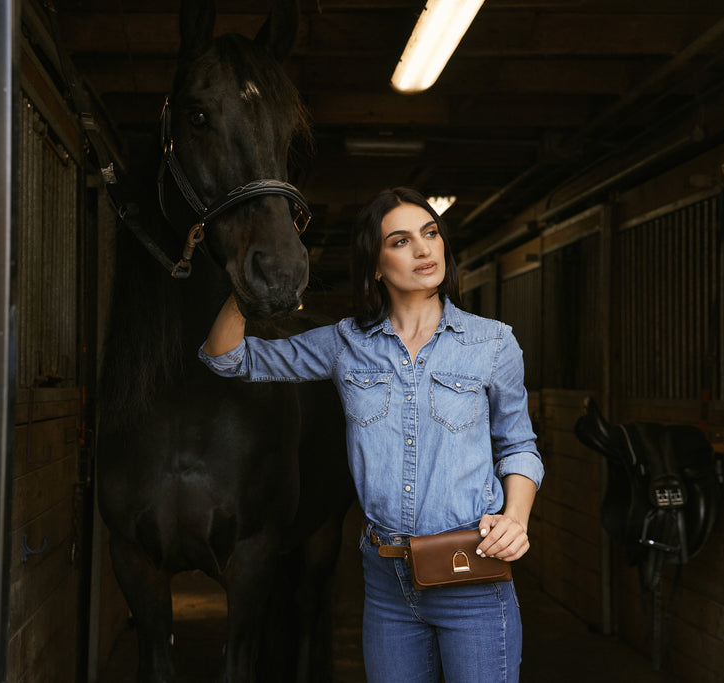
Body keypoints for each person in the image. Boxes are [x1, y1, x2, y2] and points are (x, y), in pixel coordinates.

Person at [199, 187, 544, 682]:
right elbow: (225, 359)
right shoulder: (345, 344)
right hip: (387, 583)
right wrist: (246, 281)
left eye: (430, 234)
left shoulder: (493, 342)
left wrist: (516, 517)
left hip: (472, 576)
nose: (424, 250)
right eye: (401, 241)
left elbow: (519, 445)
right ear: (375, 267)